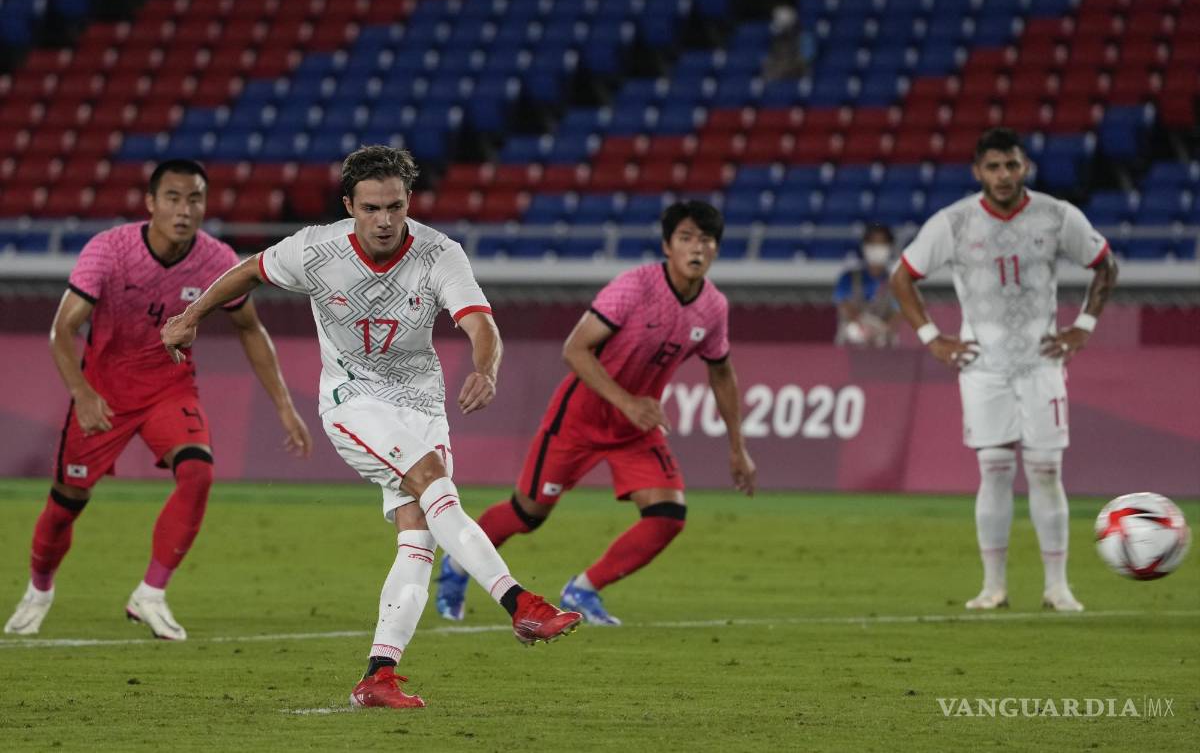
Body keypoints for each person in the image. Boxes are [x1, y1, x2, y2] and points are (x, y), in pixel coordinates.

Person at [159, 145, 581, 710]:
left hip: (421, 402)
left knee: (418, 535)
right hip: (351, 399)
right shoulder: (316, 248)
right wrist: (191, 317)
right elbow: (248, 272)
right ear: (349, 206)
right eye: (372, 208)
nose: (385, 220)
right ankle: (521, 604)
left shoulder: (438, 253)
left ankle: (377, 676)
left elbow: (481, 324)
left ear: (409, 203)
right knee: (435, 484)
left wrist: (485, 368)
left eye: (395, 207)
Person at [4, 159, 312, 640]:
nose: (185, 209)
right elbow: (62, 330)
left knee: (197, 472)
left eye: (195, 199)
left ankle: (150, 594)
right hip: (104, 394)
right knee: (66, 504)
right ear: (150, 203)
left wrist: (285, 406)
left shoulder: (216, 260)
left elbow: (250, 327)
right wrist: (82, 394)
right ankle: (39, 589)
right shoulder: (109, 251)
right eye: (173, 197)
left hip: (169, 389)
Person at [436, 200, 757, 626]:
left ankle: (583, 589)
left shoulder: (713, 308)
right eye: (686, 238)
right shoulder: (634, 288)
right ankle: (457, 567)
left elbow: (722, 373)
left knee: (667, 516)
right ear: (667, 246)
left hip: (635, 428)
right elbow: (575, 349)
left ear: (716, 250)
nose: (696, 248)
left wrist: (738, 447)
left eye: (705, 240)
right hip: (580, 418)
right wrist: (627, 402)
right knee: (527, 514)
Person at [889, 127, 1118, 613]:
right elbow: (902, 276)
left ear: (1024, 168)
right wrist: (933, 338)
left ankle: (1057, 587)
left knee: (1045, 471)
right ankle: (993, 587)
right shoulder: (954, 222)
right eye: (993, 167)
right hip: (983, 365)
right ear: (978, 172)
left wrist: (1084, 326)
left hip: (1041, 361)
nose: (1003, 175)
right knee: (993, 472)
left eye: (1011, 165)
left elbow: (1105, 265)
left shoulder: (1056, 216)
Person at [834, 223, 900, 347]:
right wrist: (864, 325)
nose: (877, 247)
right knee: (853, 332)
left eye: (882, 243)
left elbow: (899, 312)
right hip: (851, 344)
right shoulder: (848, 278)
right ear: (864, 246)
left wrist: (882, 330)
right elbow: (843, 304)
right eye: (873, 243)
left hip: (883, 345)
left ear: (890, 246)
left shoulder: (896, 281)